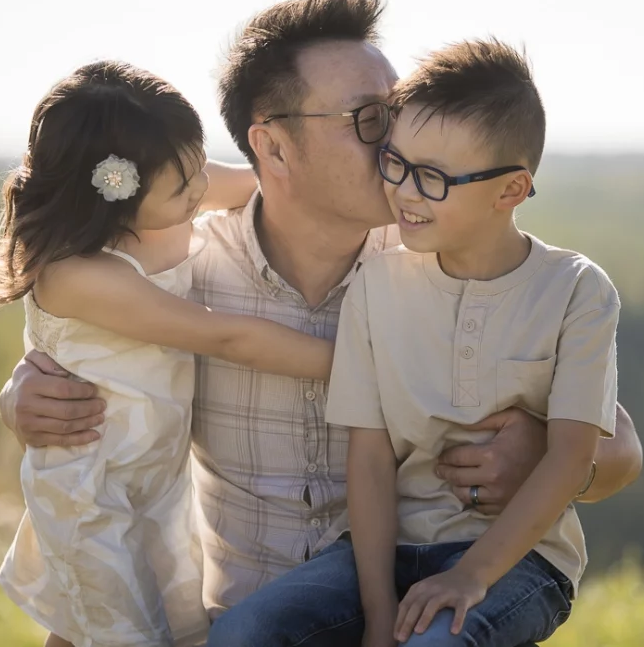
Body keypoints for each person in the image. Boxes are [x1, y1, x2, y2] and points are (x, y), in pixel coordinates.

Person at [0, 0, 642, 627]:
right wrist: (23, 397)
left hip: (411, 611)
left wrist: (543, 461)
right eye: (369, 121)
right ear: (273, 148)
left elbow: (621, 454)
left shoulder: (446, 263)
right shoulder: (186, 269)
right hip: (242, 622)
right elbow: (86, 326)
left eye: (398, 116)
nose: (397, 147)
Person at [207, 38, 616, 647]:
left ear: (510, 191)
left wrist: (472, 575)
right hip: (387, 552)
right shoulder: (378, 284)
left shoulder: (576, 289)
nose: (402, 190)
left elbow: (574, 454)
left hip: (521, 561)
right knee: (246, 632)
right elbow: (369, 459)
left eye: (431, 178)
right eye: (395, 162)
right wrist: (377, 615)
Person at [0, 60, 338, 647]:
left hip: (157, 481)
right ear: (115, 191)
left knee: (113, 627)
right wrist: (351, 366)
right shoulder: (77, 275)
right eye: (184, 184)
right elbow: (224, 336)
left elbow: (259, 183)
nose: (201, 187)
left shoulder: (165, 184)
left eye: (198, 164)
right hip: (95, 485)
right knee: (117, 629)